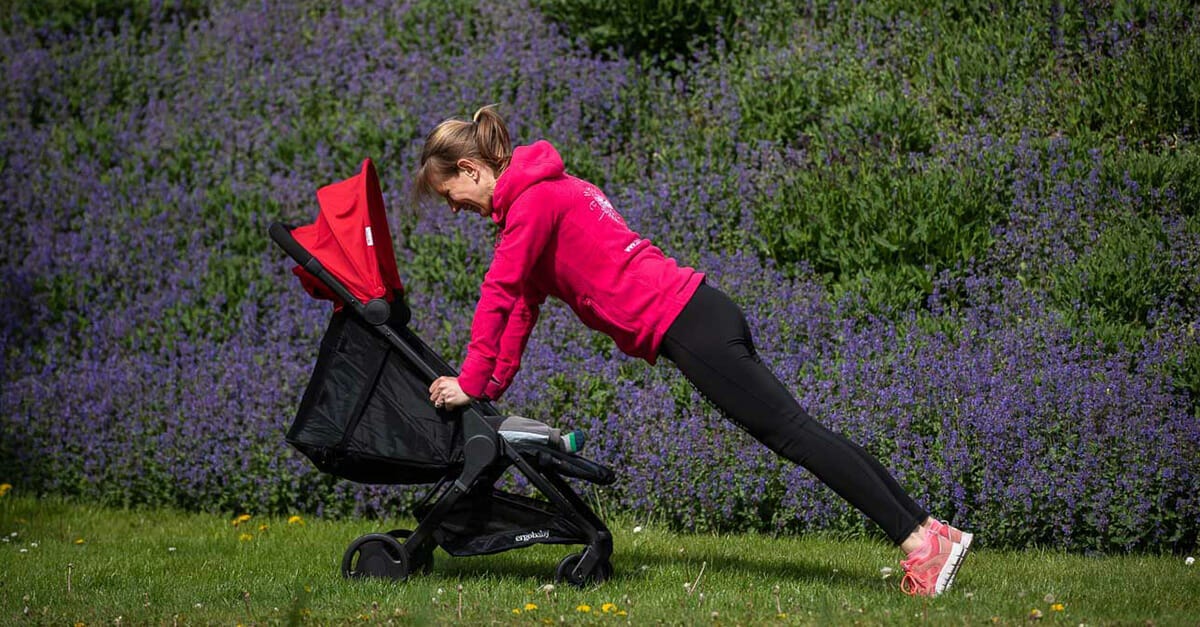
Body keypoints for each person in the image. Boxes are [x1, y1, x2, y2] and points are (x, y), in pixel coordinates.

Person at [415, 105, 972, 596]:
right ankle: (932, 533)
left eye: (450, 195)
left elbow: (498, 294)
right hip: (699, 310)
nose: (454, 207)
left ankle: (922, 540)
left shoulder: (532, 204)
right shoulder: (549, 193)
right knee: (801, 430)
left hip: (686, 323)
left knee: (796, 435)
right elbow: (523, 308)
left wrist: (469, 381)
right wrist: (487, 385)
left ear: (470, 169)